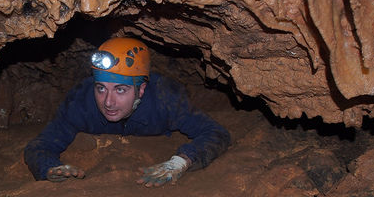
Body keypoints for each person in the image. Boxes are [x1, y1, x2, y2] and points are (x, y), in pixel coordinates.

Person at [24, 37, 231, 187]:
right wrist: (49, 167)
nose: (108, 102)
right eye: (101, 88)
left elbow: (216, 133)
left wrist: (182, 161)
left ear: (141, 89)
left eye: (120, 90)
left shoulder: (165, 99)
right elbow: (39, 146)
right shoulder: (80, 102)